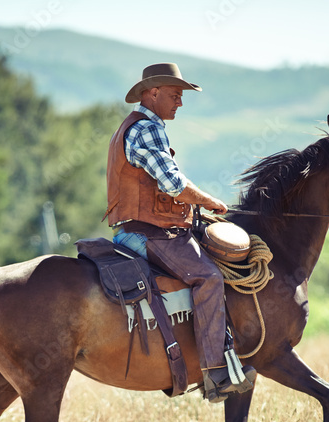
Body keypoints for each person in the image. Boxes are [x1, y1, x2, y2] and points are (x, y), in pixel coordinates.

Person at [105, 63, 254, 403]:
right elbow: (172, 184)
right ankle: (216, 374)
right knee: (209, 277)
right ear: (153, 93)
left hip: (137, 229)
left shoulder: (133, 127)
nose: (180, 104)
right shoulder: (147, 129)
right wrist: (210, 201)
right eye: (175, 95)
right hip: (149, 234)